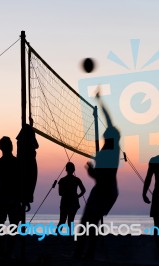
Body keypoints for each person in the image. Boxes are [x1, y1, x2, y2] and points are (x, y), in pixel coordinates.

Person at [74, 90, 121, 259]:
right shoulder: (108, 150)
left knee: (88, 223)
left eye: (106, 135)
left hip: (106, 191)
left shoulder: (112, 151)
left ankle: (84, 254)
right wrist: (92, 171)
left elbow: (101, 177)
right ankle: (86, 253)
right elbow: (99, 176)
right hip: (103, 190)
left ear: (111, 138)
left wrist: (90, 170)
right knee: (89, 223)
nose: (104, 136)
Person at [0, 136, 22, 258]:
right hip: (9, 199)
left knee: (2, 225)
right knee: (8, 226)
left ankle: (5, 252)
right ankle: (5, 252)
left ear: (0, 147)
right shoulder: (16, 163)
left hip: (7, 198)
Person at [56, 162, 86, 235]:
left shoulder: (62, 180)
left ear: (66, 169)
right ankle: (69, 235)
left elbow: (60, 193)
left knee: (62, 220)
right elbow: (83, 190)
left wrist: (72, 195)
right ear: (74, 170)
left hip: (66, 202)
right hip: (73, 202)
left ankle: (58, 234)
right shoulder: (76, 180)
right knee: (70, 220)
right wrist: (77, 196)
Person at [16, 120, 39, 214]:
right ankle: (25, 200)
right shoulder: (27, 141)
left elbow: (36, 145)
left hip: (22, 162)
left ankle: (25, 200)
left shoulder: (20, 141)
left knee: (27, 183)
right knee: (29, 182)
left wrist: (31, 127)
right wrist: (31, 129)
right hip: (28, 163)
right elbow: (37, 145)